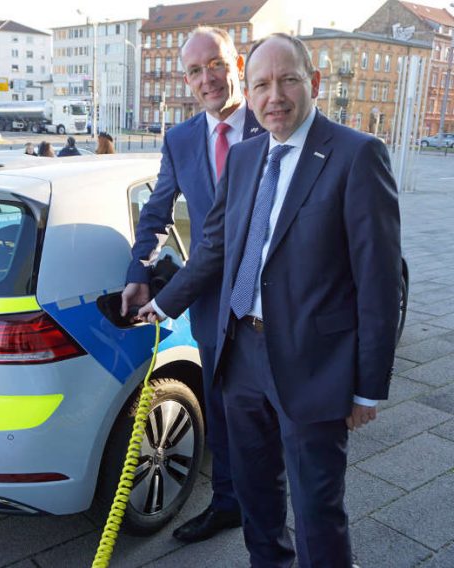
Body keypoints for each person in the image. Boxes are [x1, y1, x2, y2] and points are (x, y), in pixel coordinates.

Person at [138, 33, 401, 567]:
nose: (273, 95)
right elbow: (213, 248)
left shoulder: (356, 155)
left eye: (288, 80)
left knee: (317, 509)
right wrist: (164, 303)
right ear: (250, 91)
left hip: (313, 365)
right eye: (262, 84)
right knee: (258, 500)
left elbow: (381, 282)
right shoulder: (245, 157)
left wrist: (368, 388)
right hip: (241, 359)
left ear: (315, 83)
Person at [121, 26, 264, 544]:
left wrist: (165, 300)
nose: (208, 79)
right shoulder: (181, 139)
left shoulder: (270, 125)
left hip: (271, 301)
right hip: (210, 305)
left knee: (274, 413)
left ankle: (274, 513)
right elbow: (157, 212)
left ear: (238, 62)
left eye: (216, 64)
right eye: (195, 70)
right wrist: (139, 273)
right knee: (222, 408)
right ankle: (227, 504)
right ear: (185, 79)